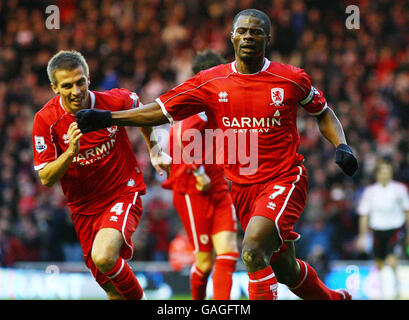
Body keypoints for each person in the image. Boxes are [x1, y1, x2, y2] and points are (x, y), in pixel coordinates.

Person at [76, 9, 358, 300]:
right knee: (285, 269)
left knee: (250, 253)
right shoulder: (210, 82)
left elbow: (323, 112)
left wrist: (342, 145)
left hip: (284, 179)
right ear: (232, 37)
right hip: (242, 188)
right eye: (243, 31)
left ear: (268, 38)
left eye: (256, 32)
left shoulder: (290, 78)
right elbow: (158, 111)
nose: (249, 36)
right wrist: (107, 118)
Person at [32, 50, 170, 300]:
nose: (76, 91)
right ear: (54, 88)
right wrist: (70, 153)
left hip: (122, 191)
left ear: (88, 78)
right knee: (112, 289)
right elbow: (46, 178)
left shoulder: (113, 101)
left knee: (105, 256)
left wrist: (155, 149)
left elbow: (141, 110)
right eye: (67, 85)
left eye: (80, 81)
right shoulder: (46, 120)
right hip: (83, 208)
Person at [162, 50, 239, 300]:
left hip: (217, 187)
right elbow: (182, 135)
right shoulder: (194, 104)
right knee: (205, 262)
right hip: (192, 191)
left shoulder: (221, 102)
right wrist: (197, 171)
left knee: (228, 253)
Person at [357, 160, 409, 299]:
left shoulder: (400, 189)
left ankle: (397, 289)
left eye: (388, 172)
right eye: (383, 172)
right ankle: (381, 291)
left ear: (391, 174)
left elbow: (407, 212)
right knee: (379, 263)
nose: (385, 175)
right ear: (377, 174)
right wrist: (362, 236)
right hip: (377, 231)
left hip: (395, 229)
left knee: (392, 260)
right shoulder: (370, 192)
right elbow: (364, 215)